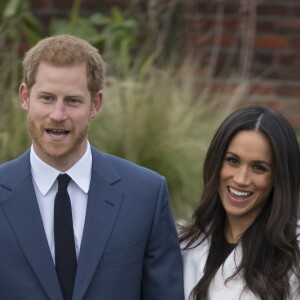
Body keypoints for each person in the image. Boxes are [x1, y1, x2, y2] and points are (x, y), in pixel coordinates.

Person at [0, 34, 184, 300]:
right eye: (47, 98)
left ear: (95, 104)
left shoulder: (146, 195)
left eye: (72, 101)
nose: (58, 114)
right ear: (25, 97)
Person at [180, 105, 300, 300]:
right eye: (233, 161)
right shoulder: (184, 245)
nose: (241, 179)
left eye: (259, 168)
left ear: (279, 178)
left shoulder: (294, 254)